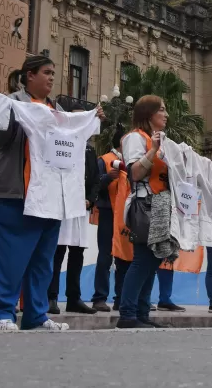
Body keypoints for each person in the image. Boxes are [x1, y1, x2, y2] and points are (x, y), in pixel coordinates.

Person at [0, 54, 71, 332]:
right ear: (29, 76)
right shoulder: (10, 103)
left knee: (42, 260)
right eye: (46, 72)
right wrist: (20, 118)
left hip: (48, 197)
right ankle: (1, 313)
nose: (51, 78)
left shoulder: (57, 110)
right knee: (8, 257)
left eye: (53, 74)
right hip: (14, 193)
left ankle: (36, 314)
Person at [117, 96, 172, 329]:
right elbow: (135, 173)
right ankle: (127, 313)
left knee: (152, 260)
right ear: (149, 114)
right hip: (144, 204)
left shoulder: (158, 140)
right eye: (161, 109)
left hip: (160, 204)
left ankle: (141, 312)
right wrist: (154, 151)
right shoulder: (134, 138)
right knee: (142, 260)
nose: (166, 114)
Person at [49, 139, 101, 315]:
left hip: (81, 207)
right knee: (58, 251)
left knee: (77, 252)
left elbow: (95, 178)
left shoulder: (89, 150)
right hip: (62, 205)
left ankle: (73, 298)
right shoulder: (61, 143)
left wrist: (90, 199)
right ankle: (51, 297)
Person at [92, 129, 130, 312]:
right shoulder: (104, 160)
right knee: (105, 256)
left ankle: (121, 298)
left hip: (127, 214)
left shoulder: (133, 160)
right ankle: (99, 297)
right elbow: (94, 184)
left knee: (124, 257)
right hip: (108, 212)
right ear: (121, 141)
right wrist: (108, 177)